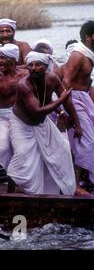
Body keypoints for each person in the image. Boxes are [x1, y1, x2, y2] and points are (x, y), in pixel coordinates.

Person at [9, 51, 81, 195]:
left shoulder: (53, 78)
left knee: (64, 149)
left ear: (46, 66)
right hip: (22, 125)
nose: (34, 68)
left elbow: (67, 100)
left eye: (38, 65)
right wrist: (60, 100)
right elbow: (37, 111)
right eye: (30, 65)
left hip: (42, 123)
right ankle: (10, 192)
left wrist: (77, 124)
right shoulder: (24, 85)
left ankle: (67, 189)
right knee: (22, 156)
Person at [63, 21, 94, 186]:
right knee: (87, 140)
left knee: (87, 140)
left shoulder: (88, 53)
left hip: (84, 98)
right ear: (89, 37)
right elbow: (65, 81)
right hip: (75, 99)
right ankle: (82, 183)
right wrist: (70, 112)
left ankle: (85, 179)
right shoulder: (78, 55)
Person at [0, 44, 28, 169]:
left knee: (21, 150)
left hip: (20, 117)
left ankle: (14, 181)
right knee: (3, 149)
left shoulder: (25, 75)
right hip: (3, 117)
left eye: (2, 58)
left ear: (12, 60)